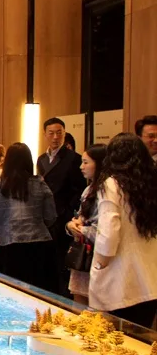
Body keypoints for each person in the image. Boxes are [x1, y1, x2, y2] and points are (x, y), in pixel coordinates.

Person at [89, 133, 157, 328]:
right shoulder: (151, 184)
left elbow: (109, 232)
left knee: (115, 338)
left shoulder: (111, 184)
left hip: (121, 280)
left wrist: (100, 264)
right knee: (141, 338)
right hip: (150, 279)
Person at [0, 143, 57, 291]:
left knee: (8, 293)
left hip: (5, 244)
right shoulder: (40, 183)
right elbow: (51, 216)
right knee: (37, 293)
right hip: (39, 243)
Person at [36, 118, 86, 295]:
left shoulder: (74, 158)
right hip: (44, 217)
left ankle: (61, 296)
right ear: (45, 135)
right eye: (51, 133)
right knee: (46, 259)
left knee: (61, 260)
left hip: (62, 217)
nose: (55, 137)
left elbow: (79, 190)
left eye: (59, 133)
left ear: (64, 134)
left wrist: (66, 211)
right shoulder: (41, 159)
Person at [65, 144, 107, 304]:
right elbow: (79, 218)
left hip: (99, 257)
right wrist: (71, 226)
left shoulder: (107, 191)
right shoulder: (88, 189)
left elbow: (103, 231)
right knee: (79, 302)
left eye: (86, 162)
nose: (81, 167)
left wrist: (80, 228)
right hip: (82, 254)